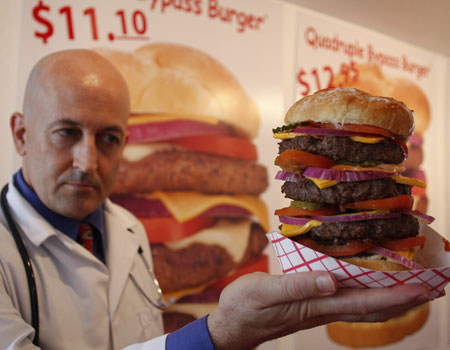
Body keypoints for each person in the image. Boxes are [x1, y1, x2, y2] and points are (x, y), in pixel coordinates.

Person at [0, 49, 431, 350]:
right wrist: (220, 333)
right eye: (67, 132)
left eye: (109, 138)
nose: (88, 160)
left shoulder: (128, 228)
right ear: (21, 133)